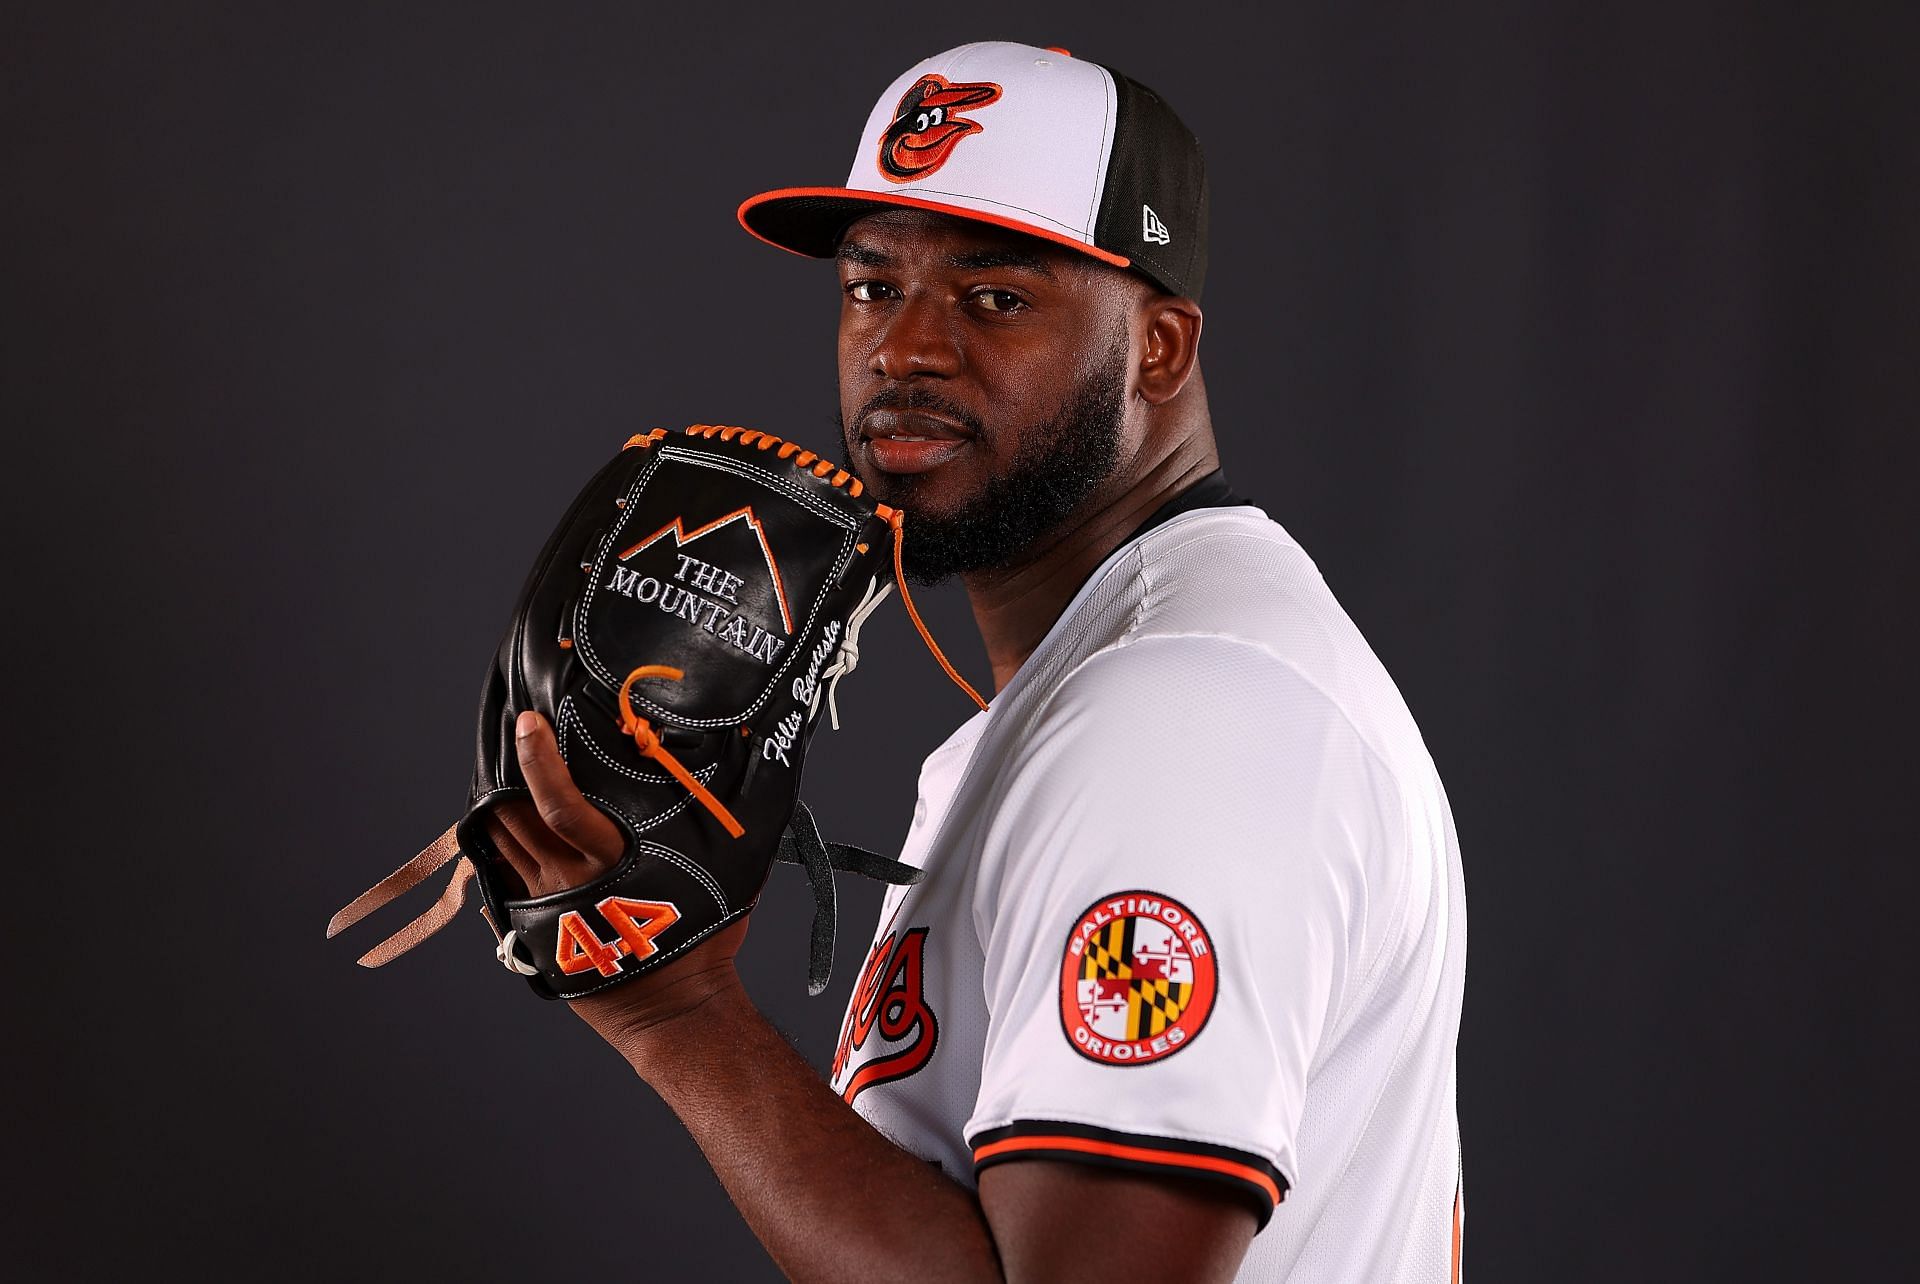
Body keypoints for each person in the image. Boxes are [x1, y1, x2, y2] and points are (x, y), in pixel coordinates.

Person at [485, 41, 1467, 1283]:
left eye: (995, 297)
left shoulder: (1187, 715)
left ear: (1160, 349)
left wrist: (680, 1017)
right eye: (871, 288)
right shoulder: (1118, 681)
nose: (906, 350)